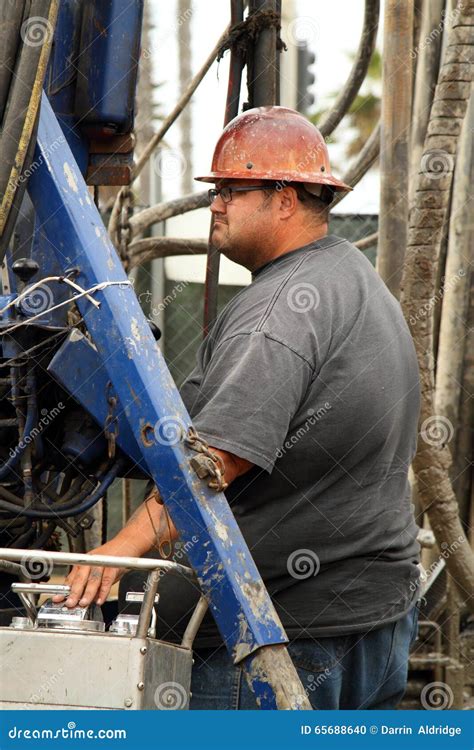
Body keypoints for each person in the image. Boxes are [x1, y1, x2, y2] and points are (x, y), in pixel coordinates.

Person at [54, 106, 421, 710]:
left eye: (232, 189)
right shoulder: (351, 274)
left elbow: (213, 460)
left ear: (284, 199)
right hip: (375, 625)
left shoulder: (279, 308)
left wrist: (115, 552)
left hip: (291, 636)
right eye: (216, 189)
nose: (215, 204)